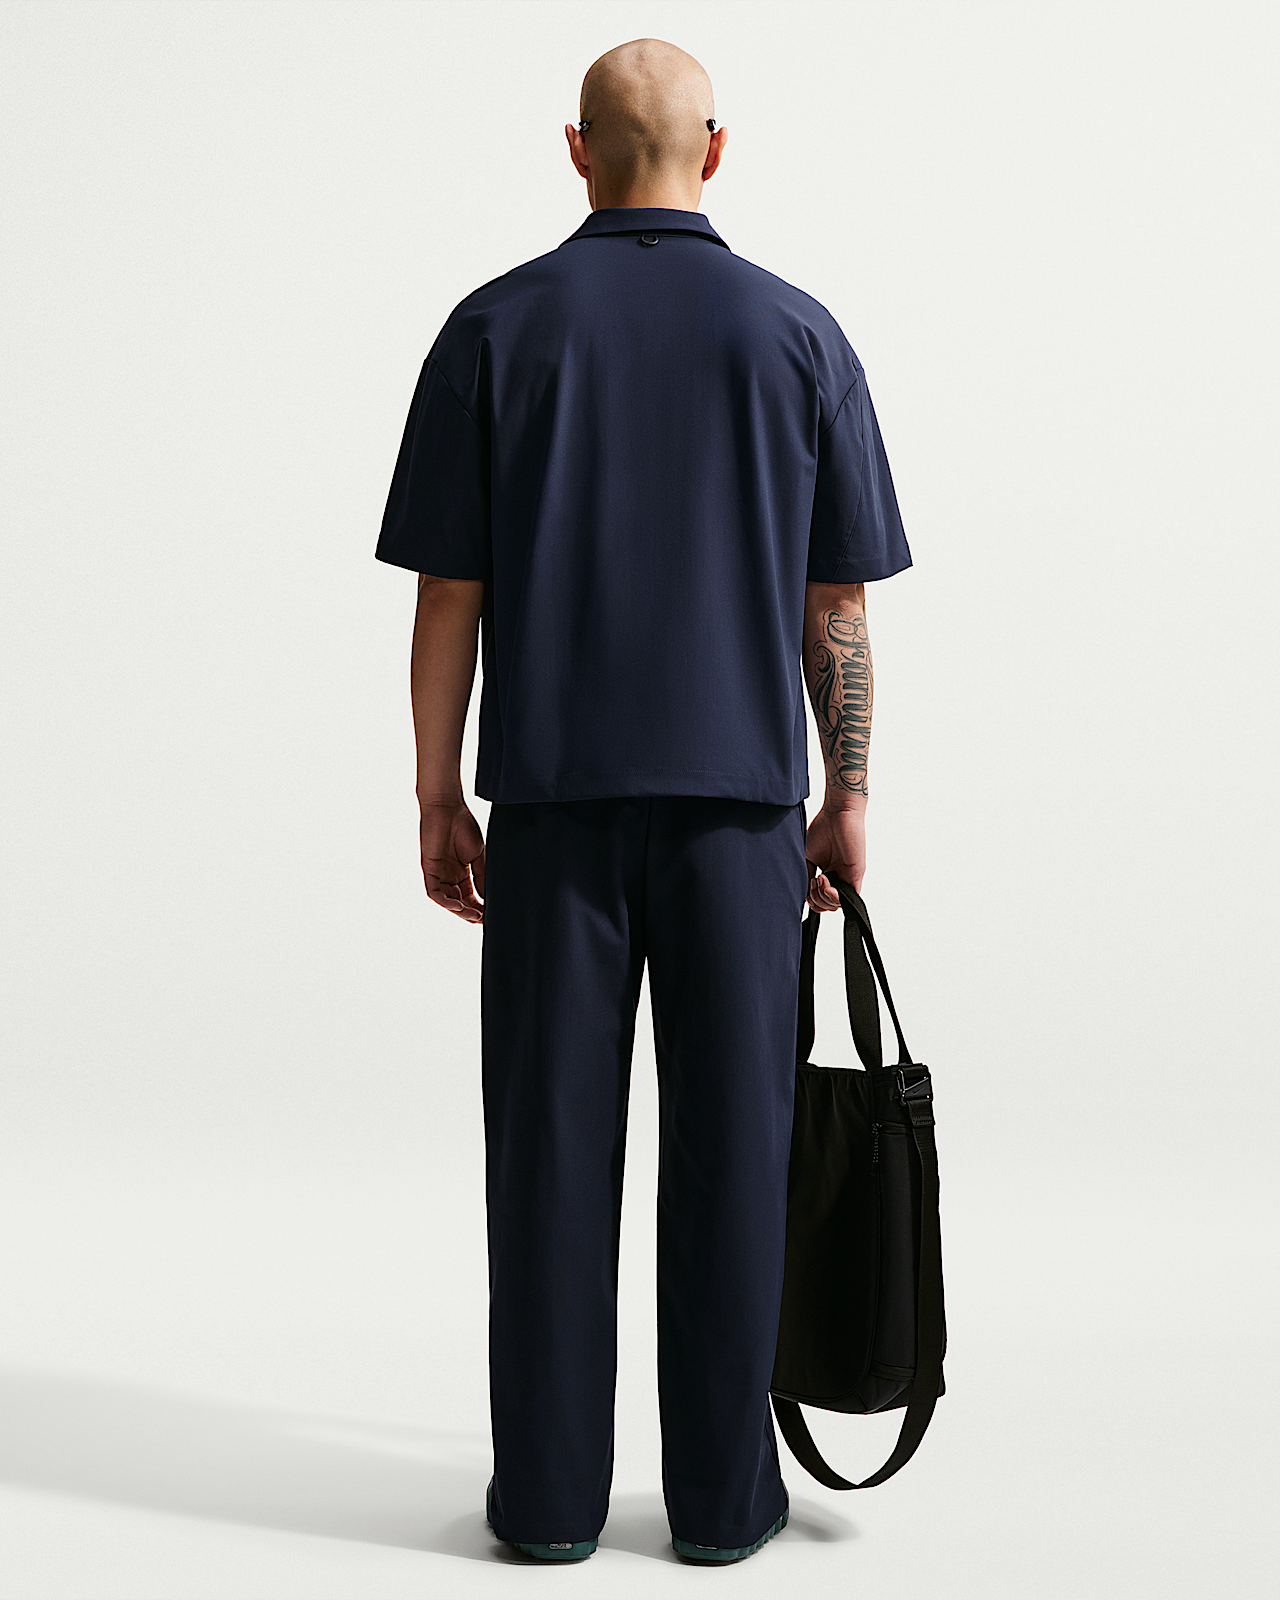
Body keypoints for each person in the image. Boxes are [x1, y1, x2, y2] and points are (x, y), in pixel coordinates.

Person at [376, 37, 911, 1565]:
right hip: (742, 815)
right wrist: (847, 793)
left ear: (576, 149)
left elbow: (449, 595)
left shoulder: (494, 328)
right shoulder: (799, 336)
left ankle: (548, 1506)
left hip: (551, 810)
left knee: (548, 1161)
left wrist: (436, 793)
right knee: (736, 1161)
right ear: (716, 151)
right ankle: (723, 1509)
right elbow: (836, 608)